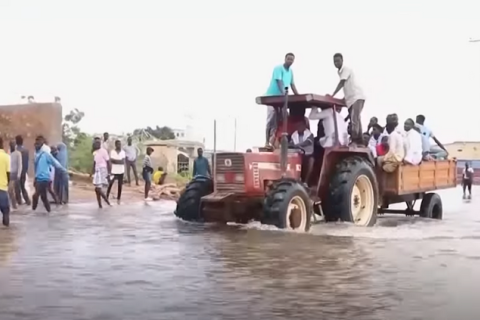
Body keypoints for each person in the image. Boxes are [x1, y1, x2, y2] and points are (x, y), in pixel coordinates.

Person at [329, 53, 366, 145]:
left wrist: (332, 95)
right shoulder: (340, 72)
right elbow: (348, 86)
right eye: (334, 61)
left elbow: (342, 83)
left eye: (338, 61)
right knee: (356, 119)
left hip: (357, 97)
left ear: (342, 60)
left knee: (354, 119)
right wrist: (344, 98)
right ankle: (360, 140)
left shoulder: (346, 69)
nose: (336, 63)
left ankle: (355, 140)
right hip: (350, 98)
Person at [264, 52, 300, 146]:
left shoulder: (291, 71)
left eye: (292, 59)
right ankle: (266, 141)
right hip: (272, 97)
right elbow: (280, 83)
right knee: (271, 119)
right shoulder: (278, 68)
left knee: (283, 118)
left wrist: (298, 95)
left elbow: (292, 84)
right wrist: (284, 94)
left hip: (282, 98)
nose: (290, 61)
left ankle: (277, 140)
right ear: (285, 59)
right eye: (288, 59)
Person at [32, 136, 67, 213]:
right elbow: (36, 169)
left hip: (45, 178)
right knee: (44, 197)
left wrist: (63, 169)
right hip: (39, 178)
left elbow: (55, 163)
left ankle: (33, 211)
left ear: (41, 145)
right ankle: (49, 211)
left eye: (38, 144)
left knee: (35, 195)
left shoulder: (46, 154)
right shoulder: (35, 156)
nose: (36, 145)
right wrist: (35, 178)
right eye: (35, 144)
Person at [92, 140, 111, 208]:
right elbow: (94, 163)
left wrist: (109, 173)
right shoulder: (95, 152)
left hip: (102, 170)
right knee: (97, 189)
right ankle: (100, 204)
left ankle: (107, 202)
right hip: (97, 171)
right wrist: (92, 172)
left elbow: (108, 162)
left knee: (98, 188)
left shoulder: (103, 151)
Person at [15, 135, 30, 205]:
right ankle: (27, 200)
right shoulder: (26, 151)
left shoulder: (15, 151)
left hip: (16, 171)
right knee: (22, 186)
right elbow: (27, 162)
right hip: (23, 171)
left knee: (17, 187)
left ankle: (19, 201)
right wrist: (26, 170)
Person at [8, 141, 22, 210]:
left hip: (15, 174)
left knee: (11, 189)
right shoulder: (8, 152)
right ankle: (13, 204)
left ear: (15, 145)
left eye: (13, 144)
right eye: (11, 144)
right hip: (8, 173)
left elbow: (20, 165)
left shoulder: (18, 154)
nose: (12, 146)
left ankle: (14, 204)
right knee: (10, 191)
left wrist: (19, 174)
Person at [0, 138, 11, 226]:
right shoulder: (6, 157)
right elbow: (8, 174)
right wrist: (7, 183)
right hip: (2, 188)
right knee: (6, 213)